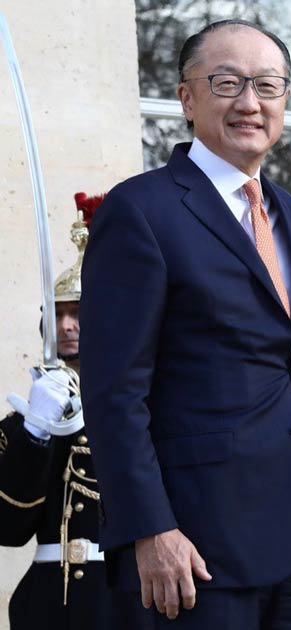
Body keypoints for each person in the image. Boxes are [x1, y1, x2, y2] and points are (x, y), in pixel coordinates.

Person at [79, 19, 291, 629]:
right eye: (227, 82)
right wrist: (151, 528)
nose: (249, 102)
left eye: (267, 85)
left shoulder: (290, 212)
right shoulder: (141, 209)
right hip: (196, 546)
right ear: (186, 97)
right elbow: (114, 390)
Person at [0, 195, 144, 629]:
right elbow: (8, 529)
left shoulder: (144, 409)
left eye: (78, 313)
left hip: (130, 598)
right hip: (51, 602)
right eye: (57, 314)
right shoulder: (22, 424)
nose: (66, 325)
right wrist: (37, 433)